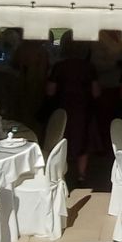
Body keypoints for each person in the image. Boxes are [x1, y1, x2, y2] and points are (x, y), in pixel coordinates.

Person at [44, 41, 99, 184]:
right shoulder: (90, 67)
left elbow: (50, 91)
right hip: (84, 109)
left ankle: (59, 172)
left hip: (63, 109)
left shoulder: (59, 67)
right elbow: (96, 92)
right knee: (84, 141)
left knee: (61, 139)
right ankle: (81, 175)